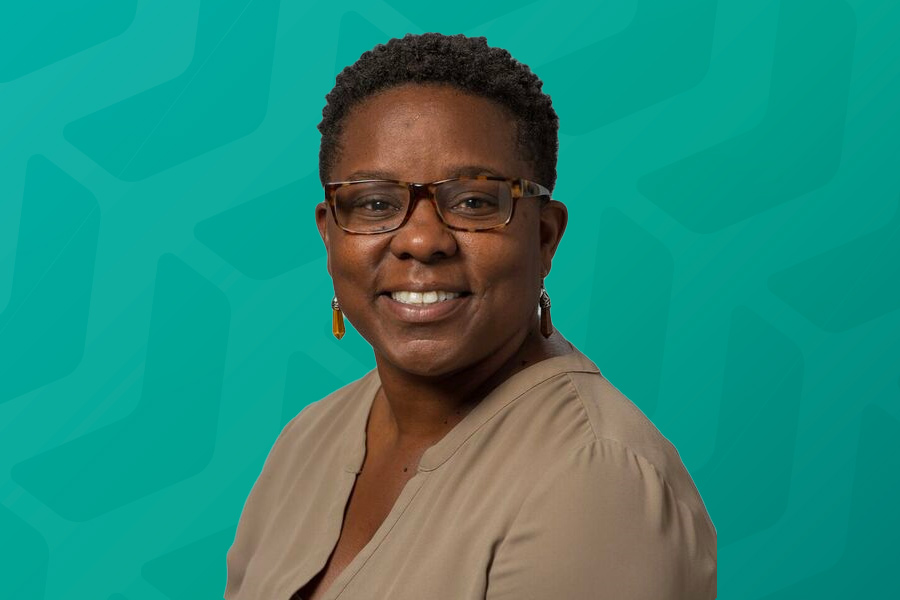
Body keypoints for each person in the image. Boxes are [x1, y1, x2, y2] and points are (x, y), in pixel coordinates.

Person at [224, 33, 716, 600]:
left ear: (545, 236)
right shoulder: (308, 439)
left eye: (475, 201)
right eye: (376, 203)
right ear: (330, 234)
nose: (421, 239)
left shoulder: (596, 479)